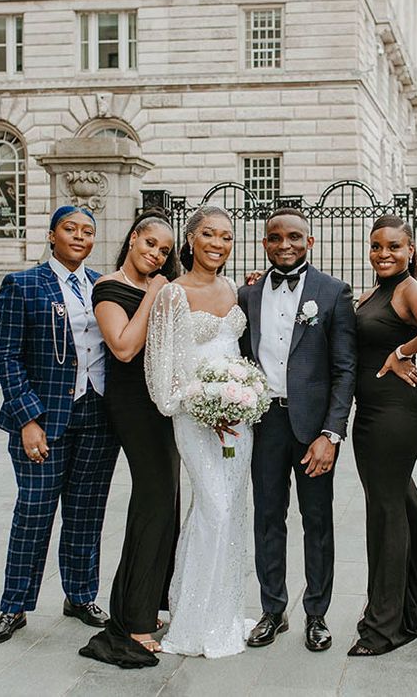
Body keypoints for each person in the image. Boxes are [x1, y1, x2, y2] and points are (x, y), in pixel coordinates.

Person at [0, 205, 121, 644]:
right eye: (70, 229)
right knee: (35, 511)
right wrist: (27, 419)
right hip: (44, 419)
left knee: (86, 512)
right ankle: (14, 606)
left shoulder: (102, 285)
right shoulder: (24, 284)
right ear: (52, 235)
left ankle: (80, 595)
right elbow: (5, 356)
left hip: (97, 414)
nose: (79, 237)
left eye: (87, 231)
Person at [237, 207, 356, 653]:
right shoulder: (247, 293)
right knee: (268, 518)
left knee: (317, 521)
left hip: (313, 429)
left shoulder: (333, 292)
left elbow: (345, 370)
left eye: (293, 237)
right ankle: (272, 610)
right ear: (265, 243)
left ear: (310, 242)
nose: (284, 244)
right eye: (274, 238)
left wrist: (332, 433)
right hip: (264, 422)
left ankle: (317, 614)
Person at [144, 205, 254, 658]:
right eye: (209, 234)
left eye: (226, 236)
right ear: (191, 239)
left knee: (231, 509)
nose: (218, 244)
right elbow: (162, 365)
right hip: (196, 415)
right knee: (215, 505)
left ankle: (223, 610)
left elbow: (239, 349)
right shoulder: (171, 294)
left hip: (239, 417)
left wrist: (242, 396)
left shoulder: (234, 288)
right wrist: (203, 404)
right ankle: (192, 619)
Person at [348, 215, 417, 657]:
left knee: (386, 513)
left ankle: (384, 626)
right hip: (371, 413)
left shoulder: (412, 289)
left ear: (411, 250)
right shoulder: (376, 292)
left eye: (394, 246)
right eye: (376, 246)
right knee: (402, 507)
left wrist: (401, 351)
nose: (384, 253)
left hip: (396, 415)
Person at [80, 210, 182, 668]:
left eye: (164, 250)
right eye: (151, 244)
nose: (157, 254)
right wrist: (154, 295)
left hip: (162, 403)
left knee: (167, 503)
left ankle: (148, 605)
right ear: (134, 237)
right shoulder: (107, 287)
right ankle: (131, 622)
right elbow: (122, 346)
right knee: (153, 504)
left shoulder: (161, 286)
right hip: (132, 405)